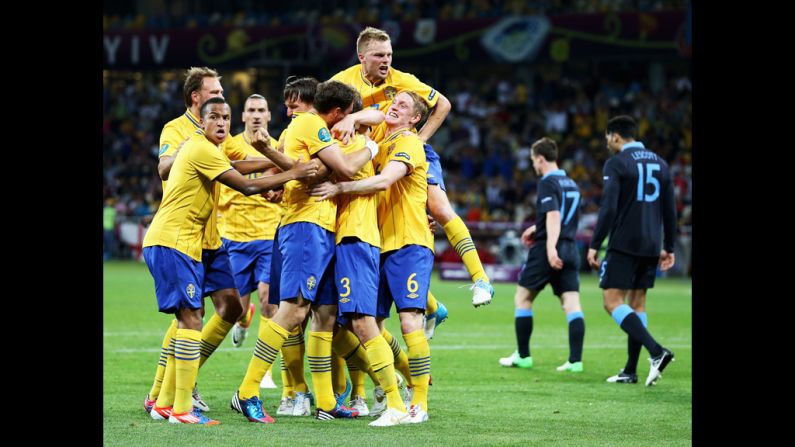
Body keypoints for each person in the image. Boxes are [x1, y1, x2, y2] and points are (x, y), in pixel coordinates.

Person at [143, 97, 319, 424]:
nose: (222, 123)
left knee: (226, 308)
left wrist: (281, 166)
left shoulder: (210, 148)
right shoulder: (198, 147)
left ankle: (166, 403)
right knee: (191, 318)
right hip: (175, 241)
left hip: (193, 242)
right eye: (215, 117)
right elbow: (245, 186)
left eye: (225, 117)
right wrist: (293, 171)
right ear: (201, 121)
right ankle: (177, 407)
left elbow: (239, 166)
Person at [230, 80, 383, 422]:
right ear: (338, 112)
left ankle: (326, 403)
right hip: (306, 226)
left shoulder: (315, 128)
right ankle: (247, 391)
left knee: (326, 314)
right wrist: (370, 150)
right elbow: (342, 168)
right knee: (293, 310)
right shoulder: (311, 124)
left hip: (323, 228)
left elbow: (312, 169)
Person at [331, 26, 494, 337]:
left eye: (390, 55)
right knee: (386, 236)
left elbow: (443, 105)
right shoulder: (343, 81)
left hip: (406, 150)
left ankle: (480, 278)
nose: (386, 61)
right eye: (379, 55)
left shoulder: (403, 81)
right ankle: (433, 307)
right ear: (361, 56)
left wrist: (417, 140)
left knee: (440, 209)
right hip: (374, 157)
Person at [311, 90, 435, 424]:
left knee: (409, 321)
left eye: (404, 106)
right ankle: (390, 388)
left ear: (415, 119)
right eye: (395, 102)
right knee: (368, 323)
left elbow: (383, 182)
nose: (395, 107)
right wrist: (352, 117)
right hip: (380, 242)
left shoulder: (409, 144)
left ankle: (417, 402)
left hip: (408, 241)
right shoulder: (383, 135)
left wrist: (339, 189)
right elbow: (375, 116)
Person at [144, 66, 226, 415]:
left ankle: (178, 388)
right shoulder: (177, 130)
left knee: (232, 305)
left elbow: (232, 167)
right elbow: (163, 167)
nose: (221, 97)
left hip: (212, 235)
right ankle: (170, 394)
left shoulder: (217, 127)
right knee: (190, 313)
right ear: (196, 96)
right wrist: (194, 149)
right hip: (183, 234)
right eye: (214, 91)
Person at [586, 115, 677, 386]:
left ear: (615, 136)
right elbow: (670, 209)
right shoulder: (661, 163)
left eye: (607, 139)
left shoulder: (617, 163)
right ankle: (630, 370)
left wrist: (595, 244)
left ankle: (657, 351)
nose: (607, 145)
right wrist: (668, 246)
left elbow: (609, 207)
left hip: (625, 243)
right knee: (637, 305)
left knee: (612, 301)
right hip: (651, 244)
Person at [498, 137, 586, 373]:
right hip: (570, 247)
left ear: (540, 158)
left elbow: (555, 216)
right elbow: (566, 218)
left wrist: (549, 247)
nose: (533, 166)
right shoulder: (571, 183)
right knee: (571, 303)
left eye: (533, 161)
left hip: (550, 247)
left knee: (523, 298)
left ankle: (523, 356)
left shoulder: (548, 182)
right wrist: (536, 228)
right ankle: (575, 361)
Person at [217, 94, 281, 350]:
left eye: (261, 110)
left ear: (268, 116)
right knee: (236, 308)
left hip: (269, 234)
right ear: (242, 116)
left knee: (269, 300)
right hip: (235, 236)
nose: (256, 115)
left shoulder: (279, 149)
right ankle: (243, 320)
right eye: (251, 110)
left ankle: (264, 372)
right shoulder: (228, 146)